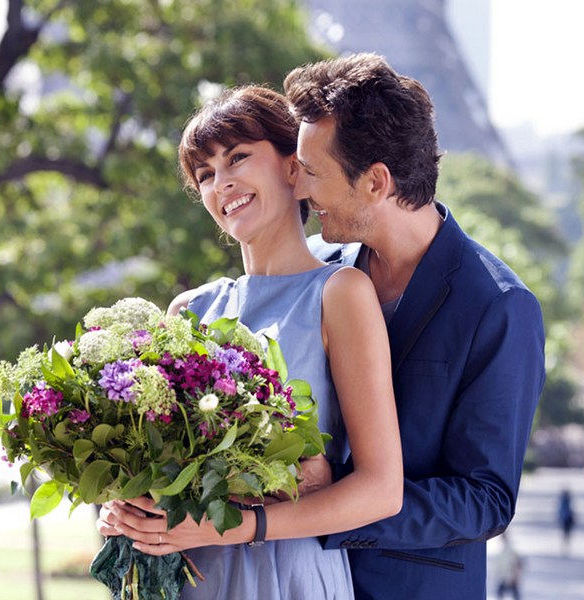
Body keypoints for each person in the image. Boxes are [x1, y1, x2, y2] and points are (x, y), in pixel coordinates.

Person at [96, 85, 403, 599]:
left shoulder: (339, 293)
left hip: (287, 575)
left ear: (293, 168)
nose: (223, 182)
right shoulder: (188, 311)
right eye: (206, 174)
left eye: (238, 158)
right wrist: (126, 504)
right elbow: (159, 466)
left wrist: (242, 523)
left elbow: (381, 489)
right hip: (193, 575)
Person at [282, 53, 546, 600]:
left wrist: (340, 508)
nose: (300, 192)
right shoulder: (311, 270)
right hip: (292, 578)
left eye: (312, 173)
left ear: (376, 181)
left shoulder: (500, 306)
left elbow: (486, 498)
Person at [493, 532, 523, 600]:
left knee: (514, 594)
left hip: (510, 577)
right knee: (500, 593)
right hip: (503, 577)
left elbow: (518, 564)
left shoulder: (510, 550)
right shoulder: (503, 549)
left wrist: (515, 577)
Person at [558, 488, 576, 555]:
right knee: (566, 533)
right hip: (566, 519)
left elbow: (561, 511)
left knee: (566, 533)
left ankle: (565, 544)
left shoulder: (565, 501)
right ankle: (565, 544)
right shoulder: (566, 501)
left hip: (566, 519)